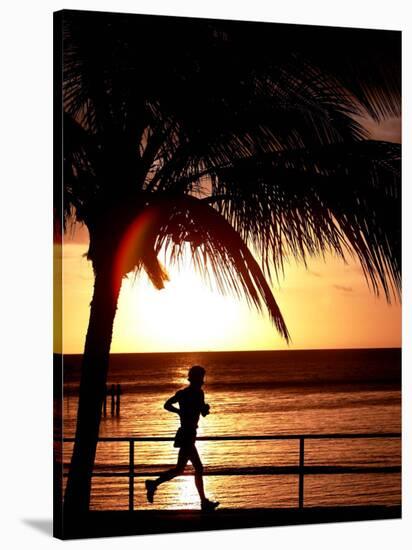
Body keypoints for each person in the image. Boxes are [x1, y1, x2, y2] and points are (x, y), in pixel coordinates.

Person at [145, 365, 219, 511]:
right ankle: (204, 503)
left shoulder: (184, 393)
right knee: (197, 468)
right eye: (201, 377)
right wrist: (201, 409)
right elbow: (201, 411)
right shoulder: (197, 393)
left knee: (181, 469)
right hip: (188, 434)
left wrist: (180, 412)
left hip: (187, 433)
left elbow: (168, 405)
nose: (202, 379)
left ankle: (154, 484)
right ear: (196, 378)